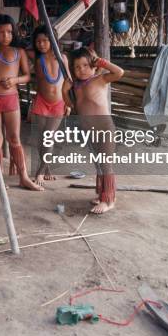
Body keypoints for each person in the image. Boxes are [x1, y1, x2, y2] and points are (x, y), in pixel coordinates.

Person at [0, 15, 43, 191]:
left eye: (9, 32)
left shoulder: (19, 52)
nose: (5, 36)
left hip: (11, 100)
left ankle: (23, 177)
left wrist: (15, 80)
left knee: (14, 138)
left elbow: (27, 76)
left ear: (13, 33)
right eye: (1, 32)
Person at [62, 48, 124, 213]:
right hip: (89, 131)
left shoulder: (100, 79)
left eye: (85, 65)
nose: (81, 69)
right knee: (99, 164)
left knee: (106, 164)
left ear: (93, 66)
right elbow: (70, 105)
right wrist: (64, 90)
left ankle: (109, 200)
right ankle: (104, 194)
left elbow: (119, 72)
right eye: (77, 67)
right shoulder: (76, 86)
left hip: (105, 128)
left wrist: (101, 62)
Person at [30, 25, 72, 187]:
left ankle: (40, 170)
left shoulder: (62, 58)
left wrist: (68, 103)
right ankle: (47, 169)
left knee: (49, 137)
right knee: (41, 139)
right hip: (41, 102)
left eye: (46, 40)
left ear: (53, 41)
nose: (41, 44)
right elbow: (38, 83)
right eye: (38, 41)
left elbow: (68, 81)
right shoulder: (38, 60)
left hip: (59, 103)